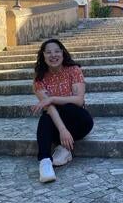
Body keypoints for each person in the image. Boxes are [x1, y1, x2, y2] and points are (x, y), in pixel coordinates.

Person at [32, 38, 94, 183]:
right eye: (48, 52)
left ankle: (63, 149)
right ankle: (45, 162)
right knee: (46, 118)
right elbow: (50, 108)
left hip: (76, 121)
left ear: (62, 53)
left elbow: (78, 100)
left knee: (78, 113)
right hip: (55, 123)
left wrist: (52, 98)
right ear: (43, 56)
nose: (53, 55)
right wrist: (62, 130)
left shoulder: (74, 70)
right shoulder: (39, 79)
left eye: (56, 51)